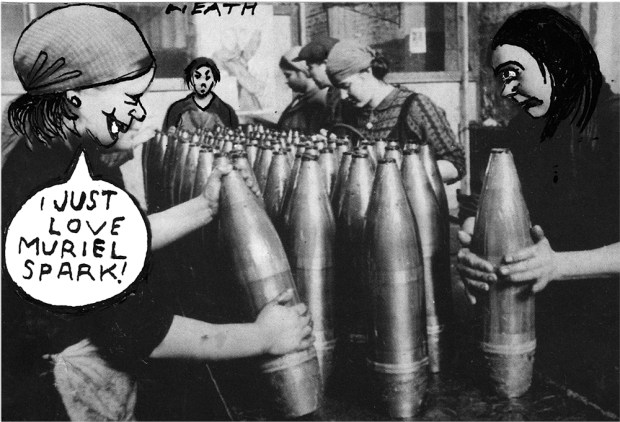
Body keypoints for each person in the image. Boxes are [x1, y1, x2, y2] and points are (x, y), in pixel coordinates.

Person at [3, 5, 313, 420]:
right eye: (129, 98)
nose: (138, 113)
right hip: (59, 390)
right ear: (74, 99)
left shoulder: (43, 150)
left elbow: (106, 240)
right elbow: (135, 330)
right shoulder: (54, 179)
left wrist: (206, 206)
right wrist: (262, 337)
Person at [457, 7, 619, 301]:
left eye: (514, 74)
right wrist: (474, 244)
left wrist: (561, 265)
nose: (506, 91)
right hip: (545, 308)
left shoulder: (614, 122)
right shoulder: (524, 129)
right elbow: (480, 201)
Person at [325, 40, 465, 183]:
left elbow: (456, 164)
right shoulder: (352, 112)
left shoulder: (415, 106)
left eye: (346, 86)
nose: (343, 95)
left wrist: (405, 174)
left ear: (367, 72)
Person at [293, 36, 356, 130]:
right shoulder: (333, 92)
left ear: (326, 65)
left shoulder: (348, 93)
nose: (309, 75)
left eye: (310, 68)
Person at [162, 57, 239, 132]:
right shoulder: (176, 109)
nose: (203, 82)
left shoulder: (226, 111)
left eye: (207, 77)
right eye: (197, 77)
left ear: (214, 80)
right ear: (190, 80)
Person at [277, 46, 329, 134]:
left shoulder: (320, 100)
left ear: (302, 71)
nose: (286, 81)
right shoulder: (302, 98)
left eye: (288, 75)